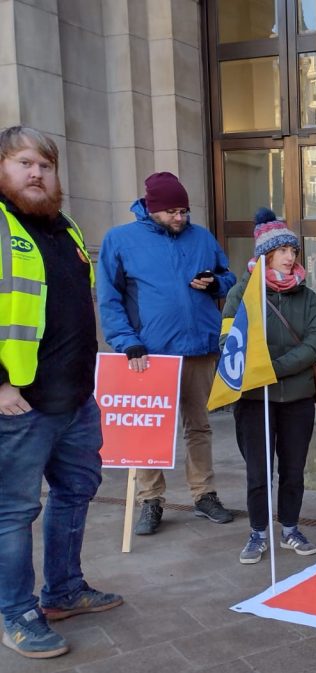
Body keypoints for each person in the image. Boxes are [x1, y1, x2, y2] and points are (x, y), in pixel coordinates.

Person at [0, 126, 123, 659]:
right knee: (13, 513)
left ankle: (64, 590)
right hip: (21, 404)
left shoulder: (65, 228)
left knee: (75, 493)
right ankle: (16, 612)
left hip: (75, 399)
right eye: (25, 163)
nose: (36, 173)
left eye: (45, 165)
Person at [97, 172, 237, 535]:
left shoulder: (201, 237)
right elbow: (109, 299)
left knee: (200, 426)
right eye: (172, 211)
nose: (180, 218)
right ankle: (150, 500)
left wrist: (214, 282)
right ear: (152, 209)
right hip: (149, 355)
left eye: (184, 211)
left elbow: (228, 276)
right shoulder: (120, 240)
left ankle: (204, 494)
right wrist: (127, 342)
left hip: (198, 349)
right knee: (148, 431)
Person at [227, 209, 316, 564]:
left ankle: (289, 528)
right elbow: (229, 339)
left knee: (293, 468)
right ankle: (257, 532)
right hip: (255, 398)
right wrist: (260, 370)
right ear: (265, 254)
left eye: (293, 251)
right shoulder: (243, 292)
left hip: (297, 397)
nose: (290, 256)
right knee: (258, 470)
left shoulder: (307, 296)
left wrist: (275, 367)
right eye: (282, 250)